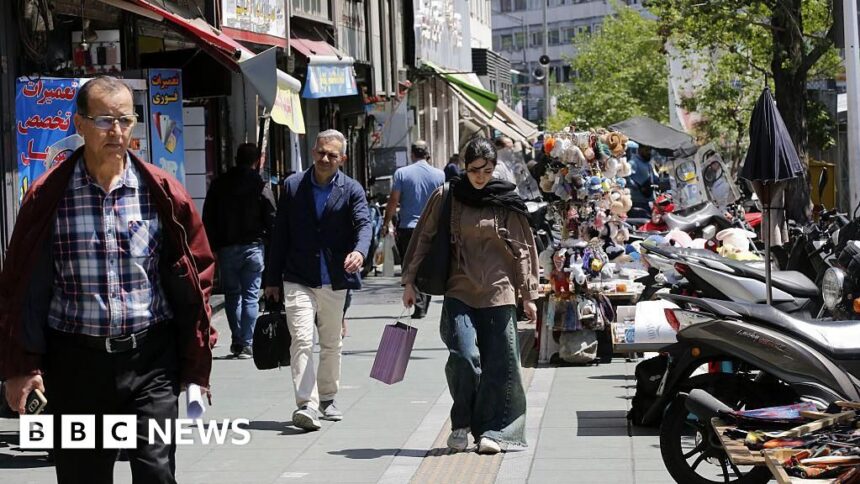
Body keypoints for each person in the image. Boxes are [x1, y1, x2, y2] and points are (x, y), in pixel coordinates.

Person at [0, 75, 214, 483]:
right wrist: (21, 366)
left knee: (156, 473)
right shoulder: (48, 197)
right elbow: (19, 286)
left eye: (124, 120)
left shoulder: (163, 193)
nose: (116, 131)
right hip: (76, 363)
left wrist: (195, 370)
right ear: (78, 124)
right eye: (103, 120)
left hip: (151, 360)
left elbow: (197, 278)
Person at [400, 137, 539, 455]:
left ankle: (494, 431)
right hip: (459, 289)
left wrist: (528, 294)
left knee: (499, 364)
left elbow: (523, 248)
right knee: (464, 357)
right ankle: (462, 422)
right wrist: (409, 281)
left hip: (499, 291)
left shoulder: (505, 199)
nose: (481, 176)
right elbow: (423, 238)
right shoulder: (447, 195)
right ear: (465, 167)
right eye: (475, 169)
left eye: (487, 169)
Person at [264, 129, 371, 431]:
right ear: (313, 151)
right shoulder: (293, 186)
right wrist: (271, 278)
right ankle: (306, 405)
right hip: (298, 275)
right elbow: (280, 234)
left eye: (332, 155)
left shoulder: (352, 189)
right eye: (320, 152)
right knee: (301, 337)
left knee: (331, 343)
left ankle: (327, 397)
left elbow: (363, 224)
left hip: (335, 278)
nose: (324, 159)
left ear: (342, 159)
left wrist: (360, 252)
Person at [202, 143, 276, 359]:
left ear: (236, 158)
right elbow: (272, 219)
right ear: (257, 161)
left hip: (227, 248)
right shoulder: (260, 186)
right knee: (251, 296)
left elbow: (208, 218)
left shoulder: (219, 185)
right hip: (253, 248)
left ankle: (237, 340)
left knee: (233, 296)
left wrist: (212, 247)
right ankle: (247, 342)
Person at [382, 140, 444, 319]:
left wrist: (386, 222)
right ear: (427, 154)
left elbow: (393, 201)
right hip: (432, 228)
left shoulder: (402, 173)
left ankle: (417, 301)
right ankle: (423, 301)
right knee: (427, 264)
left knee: (410, 264)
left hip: (408, 228)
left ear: (412, 154)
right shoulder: (439, 174)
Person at [626, 143, 658, 216]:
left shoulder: (649, 164)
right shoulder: (633, 163)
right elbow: (625, 178)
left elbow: (654, 180)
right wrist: (637, 186)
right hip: (637, 203)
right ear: (640, 149)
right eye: (646, 150)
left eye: (650, 150)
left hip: (649, 202)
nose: (649, 152)